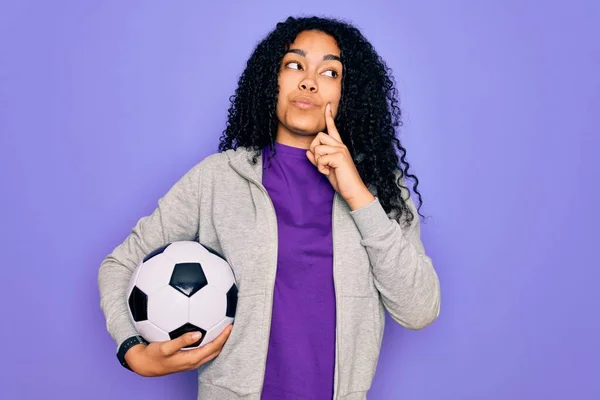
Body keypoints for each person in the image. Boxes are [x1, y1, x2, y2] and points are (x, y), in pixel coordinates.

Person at [98, 15, 441, 400]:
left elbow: (419, 309)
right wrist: (133, 351)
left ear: (349, 94)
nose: (308, 81)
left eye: (329, 72)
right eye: (294, 65)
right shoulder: (217, 179)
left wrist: (358, 194)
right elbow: (119, 265)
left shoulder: (379, 189)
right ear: (271, 80)